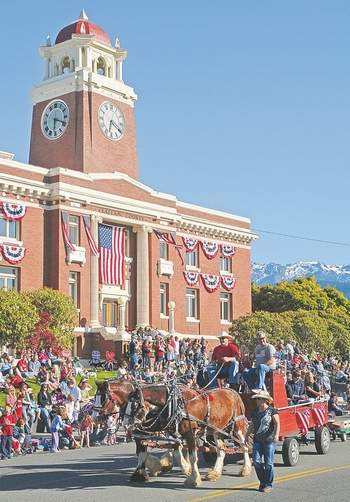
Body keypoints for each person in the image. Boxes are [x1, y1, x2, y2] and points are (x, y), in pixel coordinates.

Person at [249, 390, 280, 493]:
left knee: (269, 463)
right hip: (257, 440)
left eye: (258, 399)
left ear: (265, 400)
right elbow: (252, 425)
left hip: (269, 440)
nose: (257, 401)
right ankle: (262, 481)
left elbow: (277, 424)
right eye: (257, 399)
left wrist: (276, 434)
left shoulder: (272, 411)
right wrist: (246, 435)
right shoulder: (255, 411)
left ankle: (268, 484)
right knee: (256, 461)